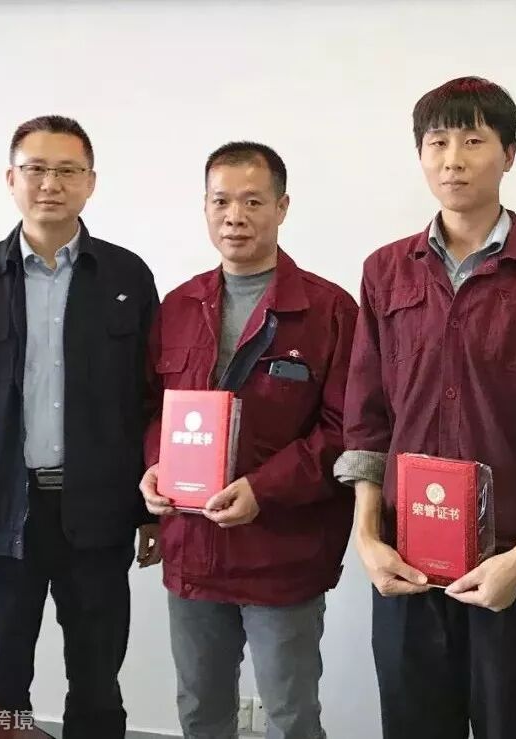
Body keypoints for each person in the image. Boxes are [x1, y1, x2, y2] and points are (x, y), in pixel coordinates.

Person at [334, 76, 516, 739]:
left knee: (511, 723)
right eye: (438, 142)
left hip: (511, 559)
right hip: (405, 556)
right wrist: (367, 537)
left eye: (473, 141)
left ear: (509, 153)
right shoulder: (385, 271)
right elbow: (367, 415)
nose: (453, 159)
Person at [0, 115, 161, 738]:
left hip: (97, 515)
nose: (51, 183)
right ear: (11, 179)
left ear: (91, 182)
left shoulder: (126, 278)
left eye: (68, 170)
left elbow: (150, 401)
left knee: (98, 682)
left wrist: (153, 511)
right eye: (36, 169)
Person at [140, 141, 357, 739]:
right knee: (200, 710)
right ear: (205, 208)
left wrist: (264, 489)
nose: (235, 216)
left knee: (290, 714)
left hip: (282, 553)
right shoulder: (178, 306)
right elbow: (153, 408)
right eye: (221, 201)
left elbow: (344, 430)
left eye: (253, 201)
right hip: (193, 548)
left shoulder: (329, 311)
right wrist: (156, 466)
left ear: (282, 207)